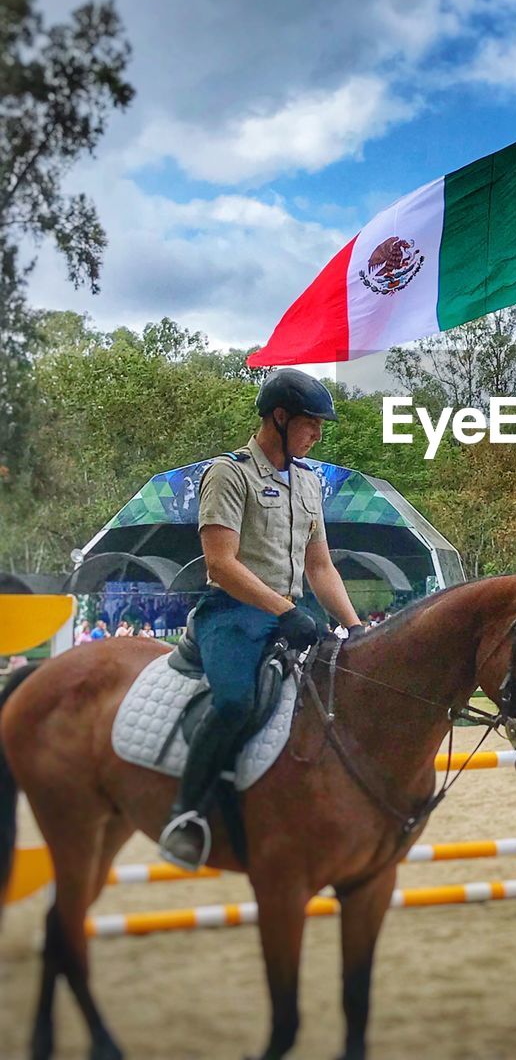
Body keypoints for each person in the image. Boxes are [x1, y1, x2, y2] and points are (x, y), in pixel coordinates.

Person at [159, 368, 363, 870]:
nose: (318, 433)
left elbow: (320, 567)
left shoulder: (311, 483)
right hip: (231, 614)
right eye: (311, 423)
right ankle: (185, 814)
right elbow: (220, 564)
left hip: (288, 616)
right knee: (235, 702)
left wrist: (356, 628)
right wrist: (285, 610)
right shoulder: (230, 473)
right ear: (279, 417)